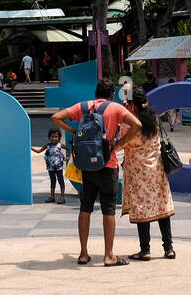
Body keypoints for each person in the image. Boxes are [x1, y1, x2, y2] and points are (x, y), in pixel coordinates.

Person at [52, 80, 143, 267]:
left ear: (96, 93)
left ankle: (84, 253)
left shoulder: (83, 107)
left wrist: (73, 131)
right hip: (108, 164)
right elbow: (137, 125)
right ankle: (109, 255)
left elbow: (56, 117)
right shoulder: (116, 108)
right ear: (111, 94)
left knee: (85, 207)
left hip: (87, 166)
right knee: (108, 209)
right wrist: (119, 144)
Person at [121, 91, 176, 260]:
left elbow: (121, 142)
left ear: (133, 105)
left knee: (141, 209)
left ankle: (145, 250)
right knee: (162, 207)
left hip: (138, 172)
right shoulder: (155, 120)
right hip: (156, 170)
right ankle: (169, 248)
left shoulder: (130, 124)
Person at [32, 128, 68, 204]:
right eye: (52, 137)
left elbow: (70, 149)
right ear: (49, 137)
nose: (54, 138)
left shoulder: (60, 145)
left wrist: (68, 158)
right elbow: (38, 151)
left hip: (59, 167)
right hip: (50, 167)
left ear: (59, 138)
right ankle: (52, 196)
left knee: (61, 180)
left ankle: (62, 197)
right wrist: (30, 147)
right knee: (52, 181)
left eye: (56, 137)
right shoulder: (47, 146)